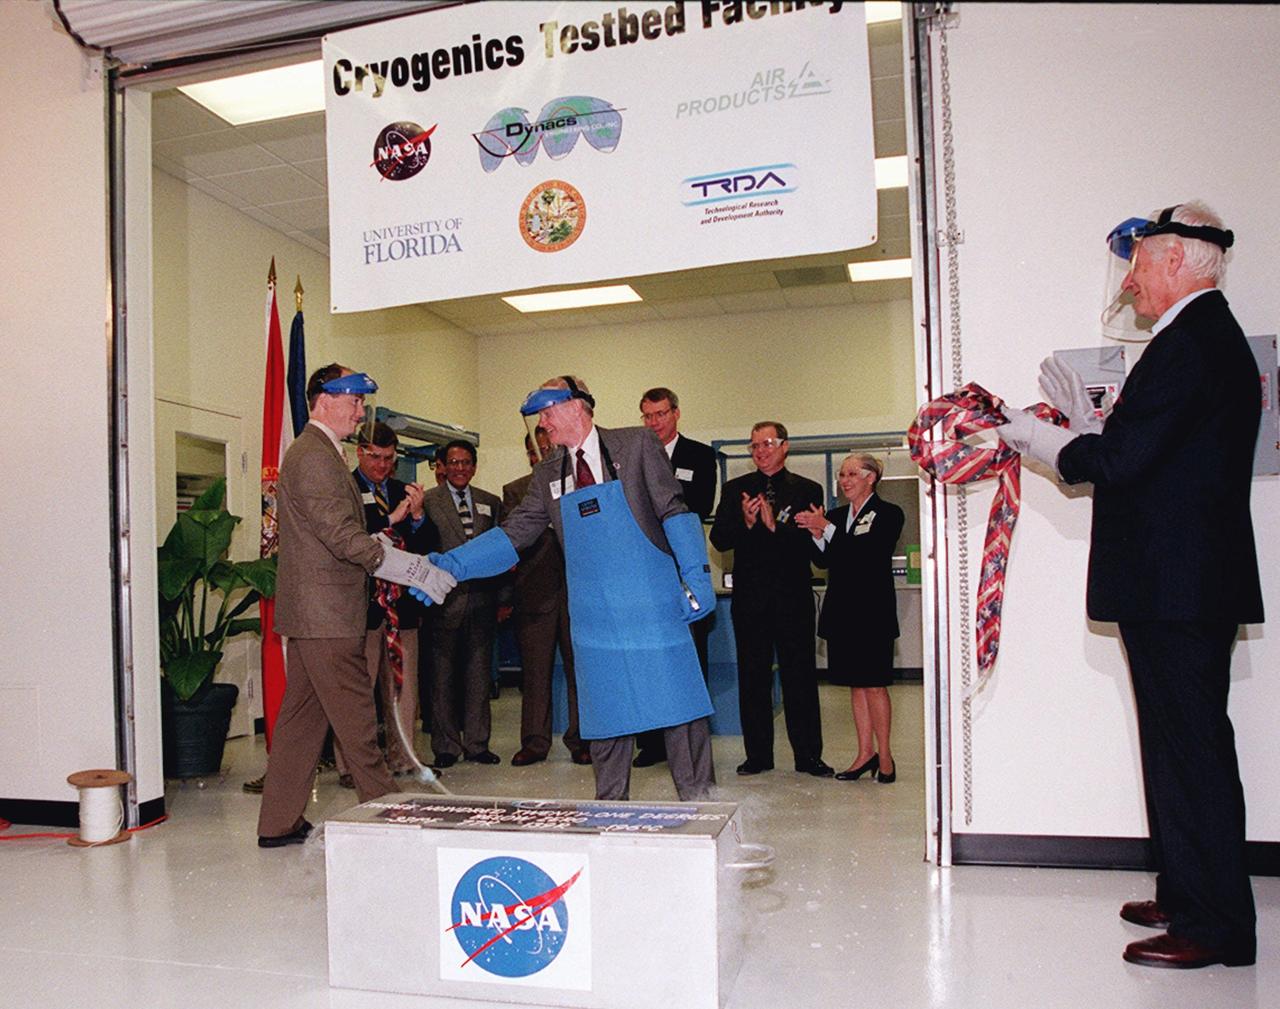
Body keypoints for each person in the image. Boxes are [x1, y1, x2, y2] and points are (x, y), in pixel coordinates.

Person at [1000, 201, 1262, 969]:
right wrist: (1090, 423)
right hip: (1178, 585)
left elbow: (1121, 466)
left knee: (1192, 753)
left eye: (1142, 262)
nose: (1132, 280)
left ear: (1180, 260)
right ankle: (1187, 892)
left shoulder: (1191, 343)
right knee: (1178, 748)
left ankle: (1217, 925)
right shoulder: (1197, 341)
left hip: (1177, 588)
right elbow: (1149, 451)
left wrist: (1050, 442)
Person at [413, 376, 717, 802]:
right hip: (594, 616)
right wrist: (452, 566)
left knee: (680, 711)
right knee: (606, 720)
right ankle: (610, 815)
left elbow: (673, 509)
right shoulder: (548, 473)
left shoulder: (636, 446)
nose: (543, 421)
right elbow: (513, 534)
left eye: (548, 410)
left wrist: (695, 573)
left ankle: (702, 809)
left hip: (652, 603)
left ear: (576, 407)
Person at [256, 364, 453, 847]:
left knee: (302, 725)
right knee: (359, 726)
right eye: (354, 400)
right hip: (327, 617)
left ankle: (277, 823)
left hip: (312, 616)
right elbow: (344, 538)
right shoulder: (315, 457)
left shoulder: (317, 453)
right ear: (324, 399)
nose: (360, 411)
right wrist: (411, 569)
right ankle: (390, 821)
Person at [709, 422, 832, 777]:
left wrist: (774, 527)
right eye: (754, 446)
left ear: (784, 446)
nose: (760, 451)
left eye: (767, 443)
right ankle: (758, 755)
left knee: (801, 679)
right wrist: (747, 524)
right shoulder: (735, 490)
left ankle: (808, 756)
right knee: (753, 679)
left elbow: (814, 550)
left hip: (792, 599)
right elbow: (719, 540)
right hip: (750, 602)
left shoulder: (808, 489)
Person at [331, 422, 437, 786]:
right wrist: (391, 520)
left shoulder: (401, 491)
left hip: (401, 607)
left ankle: (404, 757)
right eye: (374, 457)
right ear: (359, 452)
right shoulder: (344, 487)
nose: (381, 465)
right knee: (357, 689)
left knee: (404, 688)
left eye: (388, 458)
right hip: (359, 608)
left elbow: (427, 545)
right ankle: (351, 765)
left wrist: (420, 516)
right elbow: (354, 536)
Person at [796, 453, 904, 783]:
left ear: (871, 477)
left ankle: (885, 756)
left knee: (874, 685)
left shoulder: (888, 514)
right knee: (856, 687)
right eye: (842, 474)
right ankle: (864, 753)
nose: (844, 480)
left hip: (872, 613)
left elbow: (867, 554)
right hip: (842, 612)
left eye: (852, 474)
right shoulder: (839, 515)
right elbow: (827, 561)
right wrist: (817, 535)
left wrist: (825, 528)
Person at [633, 386, 719, 768]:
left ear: (676, 414)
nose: (654, 423)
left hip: (684, 568)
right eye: (648, 416)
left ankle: (690, 745)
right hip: (646, 568)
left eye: (661, 415)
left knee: (690, 657)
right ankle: (652, 744)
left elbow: (698, 505)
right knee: (649, 658)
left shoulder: (699, 455)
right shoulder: (632, 455)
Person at [502, 429, 590, 767]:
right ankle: (535, 743)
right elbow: (515, 539)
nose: (541, 454)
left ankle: (582, 740)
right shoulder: (515, 491)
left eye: (548, 448)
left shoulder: (579, 482)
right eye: (534, 450)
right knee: (534, 674)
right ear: (528, 454)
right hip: (534, 594)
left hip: (576, 591)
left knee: (578, 670)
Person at [422, 439, 506, 766]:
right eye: (453, 463)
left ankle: (477, 744)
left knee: (478, 678)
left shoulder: (491, 502)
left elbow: (501, 555)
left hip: (482, 604)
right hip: (443, 605)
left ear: (474, 466)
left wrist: (504, 599)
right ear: (442, 466)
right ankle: (446, 747)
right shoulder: (428, 502)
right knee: (441, 681)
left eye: (466, 462)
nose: (460, 468)